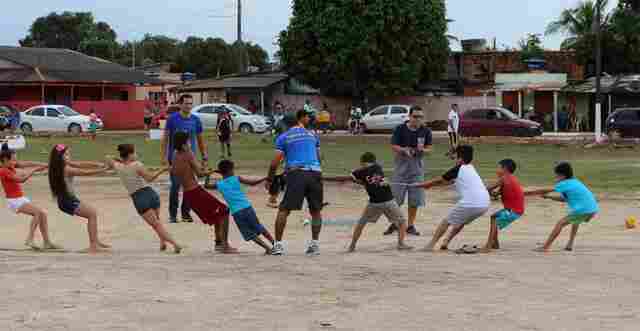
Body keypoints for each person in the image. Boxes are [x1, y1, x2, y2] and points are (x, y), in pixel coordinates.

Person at [326, 152, 413, 252]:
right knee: (402, 222)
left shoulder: (359, 172)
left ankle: (352, 246)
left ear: (362, 162)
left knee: (361, 223)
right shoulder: (378, 167)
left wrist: (356, 177)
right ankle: (401, 244)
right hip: (389, 200)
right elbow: (371, 179)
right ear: (374, 161)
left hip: (374, 203)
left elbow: (350, 179)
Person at [266, 109, 323, 256]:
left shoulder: (284, 137)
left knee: (284, 209)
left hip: (297, 174)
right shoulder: (312, 135)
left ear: (285, 125)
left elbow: (274, 164)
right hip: (315, 173)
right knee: (315, 210)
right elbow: (318, 157)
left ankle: (278, 245)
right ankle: (314, 245)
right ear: (299, 121)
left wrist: (269, 180)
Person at [171, 131, 237, 254]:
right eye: (188, 141)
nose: (190, 143)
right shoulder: (188, 153)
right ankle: (225, 245)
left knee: (218, 213)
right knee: (224, 211)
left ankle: (218, 243)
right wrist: (210, 171)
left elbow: (175, 172)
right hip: (195, 191)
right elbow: (200, 174)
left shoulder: (175, 155)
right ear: (184, 144)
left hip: (188, 193)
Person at [109, 144, 182, 254]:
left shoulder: (118, 166)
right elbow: (149, 178)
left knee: (156, 225)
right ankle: (163, 242)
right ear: (130, 154)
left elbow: (108, 158)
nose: (136, 154)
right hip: (150, 193)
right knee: (157, 222)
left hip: (139, 198)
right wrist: (162, 170)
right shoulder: (137, 165)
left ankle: (175, 244)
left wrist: (120, 160)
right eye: (134, 153)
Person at [419, 145, 490, 252]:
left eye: (455, 156)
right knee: (461, 222)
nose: (454, 159)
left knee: (446, 222)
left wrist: (421, 185)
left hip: (471, 203)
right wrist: (430, 186)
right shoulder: (471, 168)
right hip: (484, 204)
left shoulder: (458, 168)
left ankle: (430, 245)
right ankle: (445, 242)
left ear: (460, 159)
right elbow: (449, 181)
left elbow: (440, 179)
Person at [48, 144, 112, 254]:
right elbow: (85, 172)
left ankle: (95, 242)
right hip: (67, 201)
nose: (69, 157)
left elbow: (81, 164)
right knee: (92, 214)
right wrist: (105, 169)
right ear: (60, 157)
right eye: (66, 154)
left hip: (67, 199)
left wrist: (98, 164)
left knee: (92, 213)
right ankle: (93, 245)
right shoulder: (66, 169)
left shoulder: (60, 165)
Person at [525, 162, 599, 253]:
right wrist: (549, 197)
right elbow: (565, 199)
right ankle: (570, 244)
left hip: (584, 209)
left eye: (557, 176)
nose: (556, 178)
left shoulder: (565, 183)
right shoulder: (574, 181)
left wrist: (525, 194)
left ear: (562, 175)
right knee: (575, 221)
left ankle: (545, 247)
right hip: (592, 208)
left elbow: (543, 190)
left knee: (560, 223)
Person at [205, 160, 274, 254]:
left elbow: (206, 186)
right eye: (233, 169)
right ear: (230, 170)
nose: (233, 171)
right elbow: (252, 183)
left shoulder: (219, 184)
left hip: (237, 213)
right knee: (259, 227)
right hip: (247, 208)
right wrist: (264, 178)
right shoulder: (236, 178)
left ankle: (267, 248)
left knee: (249, 233)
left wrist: (209, 174)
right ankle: (275, 244)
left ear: (220, 172)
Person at [0, 143, 59, 251]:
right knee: (37, 213)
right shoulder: (3, 171)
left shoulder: (10, 166)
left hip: (19, 198)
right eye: (13, 160)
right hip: (14, 201)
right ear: (4, 160)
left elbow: (28, 163)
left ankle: (47, 242)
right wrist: (34, 170)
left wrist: (45, 165)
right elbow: (21, 179)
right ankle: (30, 238)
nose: (15, 162)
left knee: (43, 214)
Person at [385, 106, 432, 237]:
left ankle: (410, 226)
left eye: (420, 117)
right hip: (401, 167)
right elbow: (393, 145)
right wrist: (404, 150)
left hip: (417, 168)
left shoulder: (426, 130)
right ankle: (395, 223)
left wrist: (423, 151)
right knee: (396, 198)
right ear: (409, 116)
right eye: (415, 116)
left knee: (415, 199)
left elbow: (429, 148)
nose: (418, 119)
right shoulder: (400, 129)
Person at [160, 94, 208, 223]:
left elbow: (200, 139)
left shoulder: (196, 120)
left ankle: (186, 214)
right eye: (186, 103)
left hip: (191, 159)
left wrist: (204, 155)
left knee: (190, 187)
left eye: (190, 103)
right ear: (180, 104)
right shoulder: (172, 119)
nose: (188, 106)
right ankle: (173, 215)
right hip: (175, 159)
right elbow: (165, 138)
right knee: (175, 186)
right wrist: (164, 157)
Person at [480, 159, 525, 253]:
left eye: (498, 168)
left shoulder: (504, 178)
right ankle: (495, 244)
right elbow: (496, 194)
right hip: (515, 209)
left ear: (504, 169)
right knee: (493, 217)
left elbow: (488, 188)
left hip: (513, 210)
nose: (496, 170)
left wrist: (480, 187)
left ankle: (488, 246)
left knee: (495, 219)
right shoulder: (510, 178)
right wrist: (491, 193)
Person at [267, 112, 297, 208]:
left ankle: (273, 198)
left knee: (279, 177)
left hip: (289, 161)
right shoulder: (298, 132)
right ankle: (273, 198)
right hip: (291, 161)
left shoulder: (284, 136)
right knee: (282, 177)